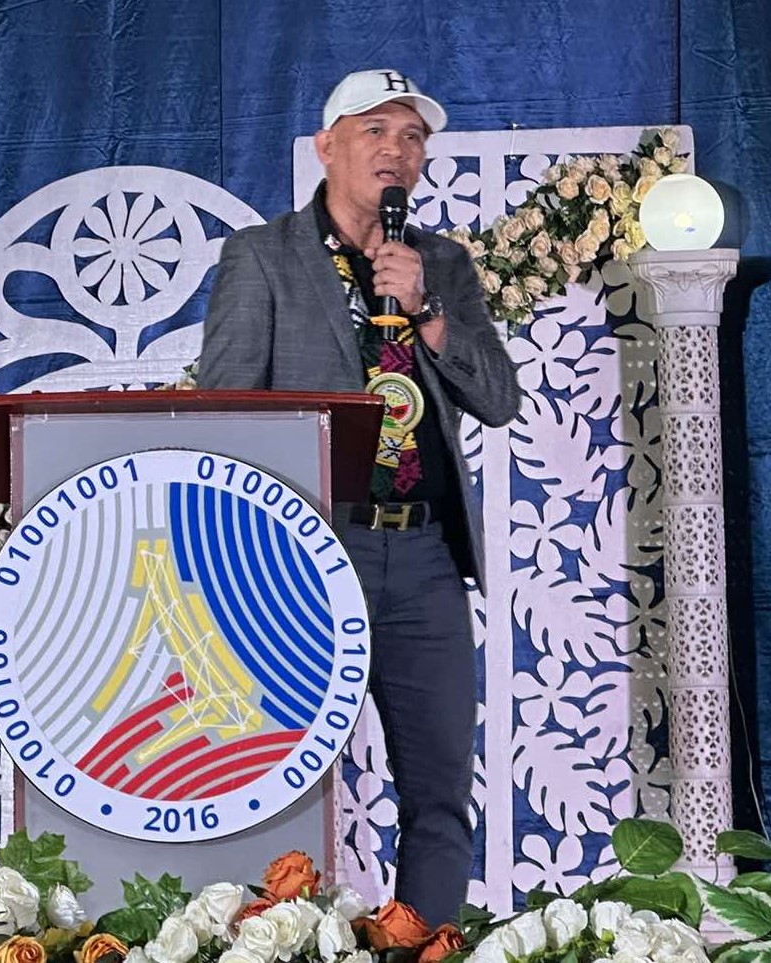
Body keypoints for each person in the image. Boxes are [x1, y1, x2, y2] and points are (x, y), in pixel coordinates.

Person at [199, 68, 520, 926]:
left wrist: (428, 313)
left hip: (421, 556)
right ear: (326, 147)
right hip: (302, 554)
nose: (396, 150)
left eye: (411, 137)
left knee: (440, 789)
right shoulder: (261, 256)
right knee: (274, 779)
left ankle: (423, 939)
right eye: (374, 130)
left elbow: (498, 398)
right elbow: (223, 415)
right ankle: (273, 942)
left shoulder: (441, 264)